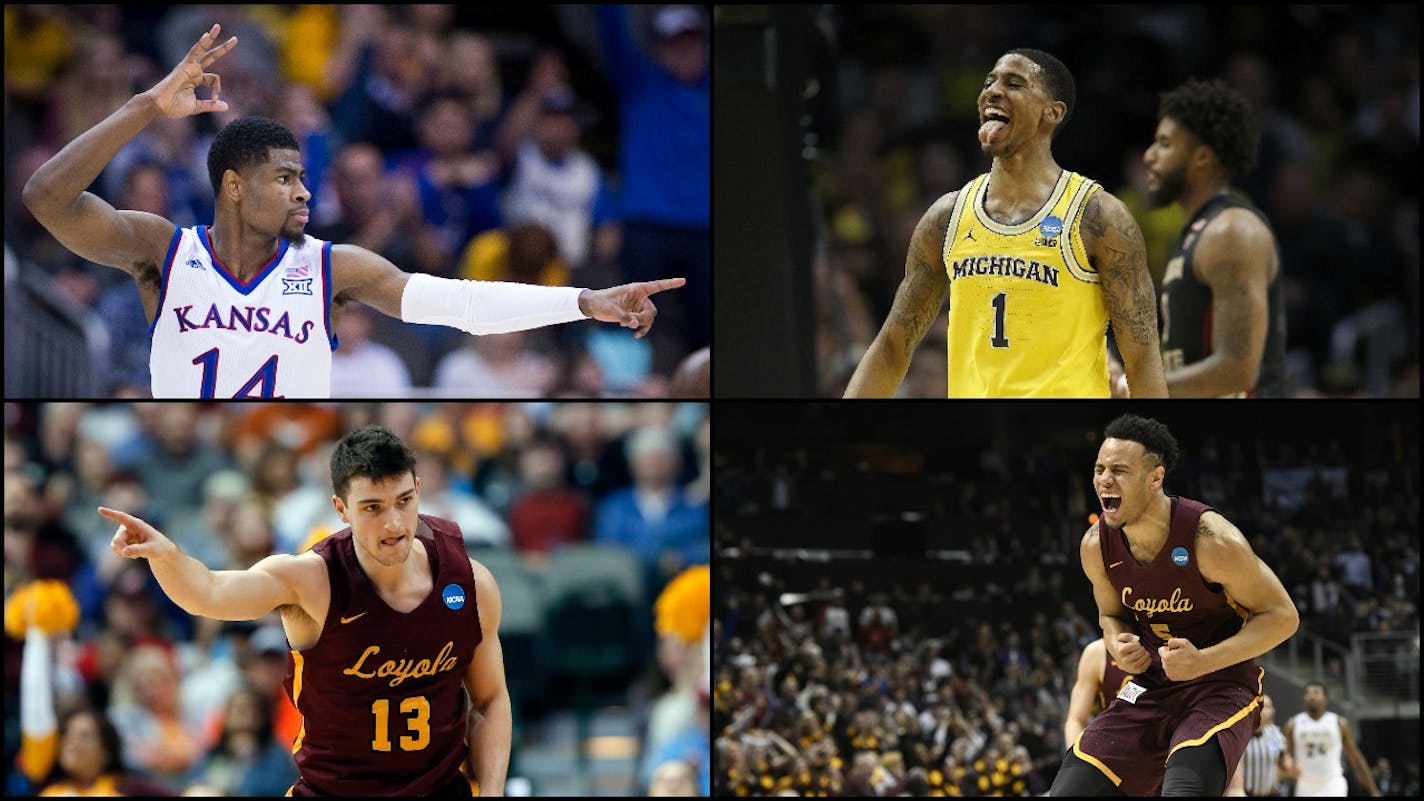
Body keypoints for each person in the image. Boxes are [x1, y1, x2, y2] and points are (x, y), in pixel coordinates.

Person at [21, 24, 685, 398]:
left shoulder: (334, 268)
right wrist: (144, 107)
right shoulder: (164, 248)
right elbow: (45, 198)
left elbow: (458, 303)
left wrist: (582, 301)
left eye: (305, 178)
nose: (305, 193)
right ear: (233, 187)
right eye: (284, 179)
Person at [100, 424, 511, 796]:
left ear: (419, 490)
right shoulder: (311, 579)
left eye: (403, 501)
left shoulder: (470, 583)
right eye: (372, 508)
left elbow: (490, 699)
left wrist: (491, 793)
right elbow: (210, 591)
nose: (394, 524)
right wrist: (166, 557)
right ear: (341, 509)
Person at [845, 49, 1167, 398]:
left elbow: (1142, 359)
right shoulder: (946, 216)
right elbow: (893, 347)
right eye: (988, 83)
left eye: (1013, 83)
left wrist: (1149, 444)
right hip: (975, 438)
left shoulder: (1098, 216)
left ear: (1052, 112)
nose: (992, 92)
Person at [1049, 414, 1299, 796]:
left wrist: (1204, 661)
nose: (1104, 479)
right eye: (1099, 468)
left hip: (1222, 685)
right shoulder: (1095, 546)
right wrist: (1118, 643)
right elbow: (1111, 615)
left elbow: (1283, 617)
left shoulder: (1212, 540)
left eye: (1119, 470)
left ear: (1155, 478)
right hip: (1151, 685)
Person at [1140, 78, 1286, 397]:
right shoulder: (1197, 231)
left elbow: (1237, 369)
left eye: (1164, 144)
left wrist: (1137, 388)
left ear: (1202, 157)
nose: (1149, 156)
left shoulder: (1231, 231)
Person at [1283, 680, 1382, 797]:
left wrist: (1373, 790)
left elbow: (1356, 758)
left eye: (1316, 693)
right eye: (1308, 693)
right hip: (1305, 785)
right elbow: (1284, 756)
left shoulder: (1339, 723)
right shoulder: (1293, 724)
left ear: (1325, 698)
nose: (1311, 696)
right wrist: (1287, 766)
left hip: (1332, 783)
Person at [1061, 638, 1137, 749]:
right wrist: (1075, 764)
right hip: (1119, 750)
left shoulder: (1165, 643)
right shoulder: (1097, 652)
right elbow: (1075, 720)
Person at [1232, 693, 1294, 797]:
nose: (1272, 711)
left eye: (1271, 707)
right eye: (1267, 707)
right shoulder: (1239, 733)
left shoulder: (1274, 733)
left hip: (1270, 793)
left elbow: (1283, 760)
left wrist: (1284, 771)